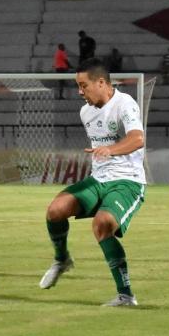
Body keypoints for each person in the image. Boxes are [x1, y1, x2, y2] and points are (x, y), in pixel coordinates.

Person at [39, 58, 146, 307]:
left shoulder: (125, 104)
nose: (80, 92)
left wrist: (110, 149)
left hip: (128, 182)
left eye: (83, 85)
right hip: (98, 180)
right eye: (78, 86)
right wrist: (104, 153)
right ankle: (62, 259)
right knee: (55, 210)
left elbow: (137, 139)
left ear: (101, 82)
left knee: (102, 224)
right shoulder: (85, 111)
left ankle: (126, 296)